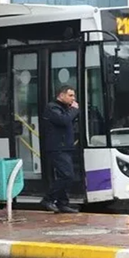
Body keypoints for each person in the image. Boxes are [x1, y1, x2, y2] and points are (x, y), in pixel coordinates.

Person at [40, 85, 80, 214]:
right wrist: (74, 110)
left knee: (64, 175)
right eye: (70, 95)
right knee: (67, 175)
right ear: (61, 95)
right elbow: (63, 120)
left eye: (73, 96)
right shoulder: (52, 107)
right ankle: (48, 199)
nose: (73, 99)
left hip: (65, 146)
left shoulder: (65, 108)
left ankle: (63, 203)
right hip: (57, 147)